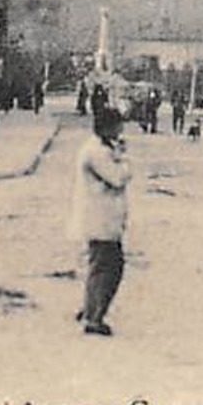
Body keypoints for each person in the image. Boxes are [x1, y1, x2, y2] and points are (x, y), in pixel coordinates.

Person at [70, 105, 132, 337]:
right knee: (109, 268)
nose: (120, 129)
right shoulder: (96, 152)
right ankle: (94, 318)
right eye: (117, 125)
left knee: (100, 265)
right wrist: (124, 159)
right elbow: (118, 178)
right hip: (99, 219)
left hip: (103, 218)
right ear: (107, 127)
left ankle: (90, 309)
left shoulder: (101, 148)